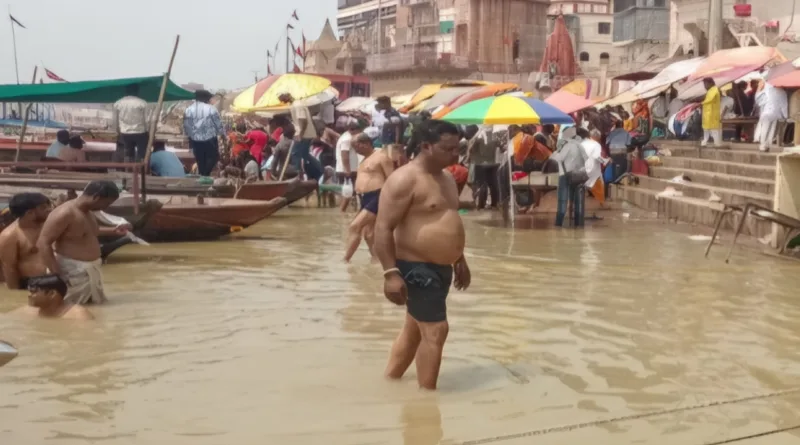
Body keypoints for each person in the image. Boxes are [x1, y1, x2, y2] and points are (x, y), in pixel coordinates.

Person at [373, 119, 471, 391]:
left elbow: (447, 219)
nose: (456, 155)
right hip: (416, 267)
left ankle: (390, 383)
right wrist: (390, 273)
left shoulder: (448, 177)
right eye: (448, 149)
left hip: (442, 268)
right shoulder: (404, 179)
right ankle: (427, 401)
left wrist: (460, 258)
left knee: (415, 329)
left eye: (457, 148)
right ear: (426, 146)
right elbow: (382, 228)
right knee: (436, 330)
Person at [37, 181, 127, 305]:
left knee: (92, 311)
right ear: (96, 197)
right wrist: (57, 275)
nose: (106, 207)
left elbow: (90, 232)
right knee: (69, 313)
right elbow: (43, 243)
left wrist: (114, 231)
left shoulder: (88, 212)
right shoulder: (65, 213)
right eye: (106, 203)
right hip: (71, 272)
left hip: (90, 271)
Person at [343, 133, 395, 262]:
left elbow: (392, 179)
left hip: (378, 195)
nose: (355, 150)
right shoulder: (364, 159)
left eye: (356, 146)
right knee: (368, 234)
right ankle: (377, 260)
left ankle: (345, 260)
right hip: (365, 197)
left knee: (355, 226)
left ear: (366, 144)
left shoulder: (381, 157)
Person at [0, 193, 52, 290]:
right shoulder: (10, 236)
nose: (49, 209)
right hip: (31, 285)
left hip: (54, 280)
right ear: (30, 213)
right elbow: (9, 269)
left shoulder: (49, 226)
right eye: (43, 207)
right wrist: (16, 295)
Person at [281, 93, 323, 181]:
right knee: (305, 155)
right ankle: (321, 171)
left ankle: (298, 176)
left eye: (282, 97)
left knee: (296, 154)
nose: (281, 100)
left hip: (304, 134)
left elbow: (303, 120)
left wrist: (300, 134)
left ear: (287, 95)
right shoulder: (295, 105)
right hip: (304, 133)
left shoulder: (298, 105)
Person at [551, 126, 587, 227]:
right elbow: (586, 159)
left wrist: (554, 154)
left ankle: (559, 223)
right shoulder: (580, 146)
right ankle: (578, 223)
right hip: (579, 175)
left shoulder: (567, 145)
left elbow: (559, 158)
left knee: (562, 200)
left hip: (565, 175)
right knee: (577, 201)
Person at [14, 275, 94, 320]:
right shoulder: (28, 311)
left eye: (34, 292)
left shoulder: (78, 315)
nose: (29, 295)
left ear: (52, 293)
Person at [184, 90, 225, 176]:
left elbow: (187, 126)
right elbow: (218, 124)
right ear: (206, 98)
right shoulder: (211, 108)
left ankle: (202, 175)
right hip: (210, 139)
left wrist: (190, 138)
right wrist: (223, 135)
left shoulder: (189, 109)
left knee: (200, 160)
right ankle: (205, 175)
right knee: (213, 157)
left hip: (195, 140)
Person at [113, 84, 149, 162]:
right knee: (142, 155)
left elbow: (115, 121)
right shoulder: (143, 103)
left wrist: (117, 132)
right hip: (140, 132)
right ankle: (140, 171)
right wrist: (148, 132)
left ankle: (128, 171)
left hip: (125, 133)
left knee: (128, 155)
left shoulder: (118, 103)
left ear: (126, 91)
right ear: (137, 91)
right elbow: (147, 121)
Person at [467, 125, 500, 209]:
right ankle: (494, 204)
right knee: (493, 185)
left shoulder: (479, 137)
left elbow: (471, 150)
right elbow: (503, 148)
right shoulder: (495, 136)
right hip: (493, 164)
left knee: (482, 185)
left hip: (480, 164)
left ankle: (482, 205)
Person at [755, 80, 788, 152]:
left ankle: (763, 145)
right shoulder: (782, 92)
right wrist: (786, 116)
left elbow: (758, 101)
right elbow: (784, 105)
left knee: (764, 130)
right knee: (771, 131)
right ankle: (765, 145)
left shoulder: (768, 90)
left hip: (765, 113)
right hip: (775, 114)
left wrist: (758, 89)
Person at [581, 128, 607, 205]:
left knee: (582, 187)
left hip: (582, 169)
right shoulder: (596, 145)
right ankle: (602, 204)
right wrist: (605, 161)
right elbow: (597, 157)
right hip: (592, 169)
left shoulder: (583, 143)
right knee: (600, 185)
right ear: (598, 137)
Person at [701, 78, 722, 147]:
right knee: (706, 129)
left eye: (705, 84)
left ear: (710, 83)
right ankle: (704, 142)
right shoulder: (710, 90)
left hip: (712, 114)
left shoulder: (714, 90)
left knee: (714, 130)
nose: (705, 86)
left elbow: (709, 100)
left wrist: (700, 103)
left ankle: (717, 144)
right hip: (708, 114)